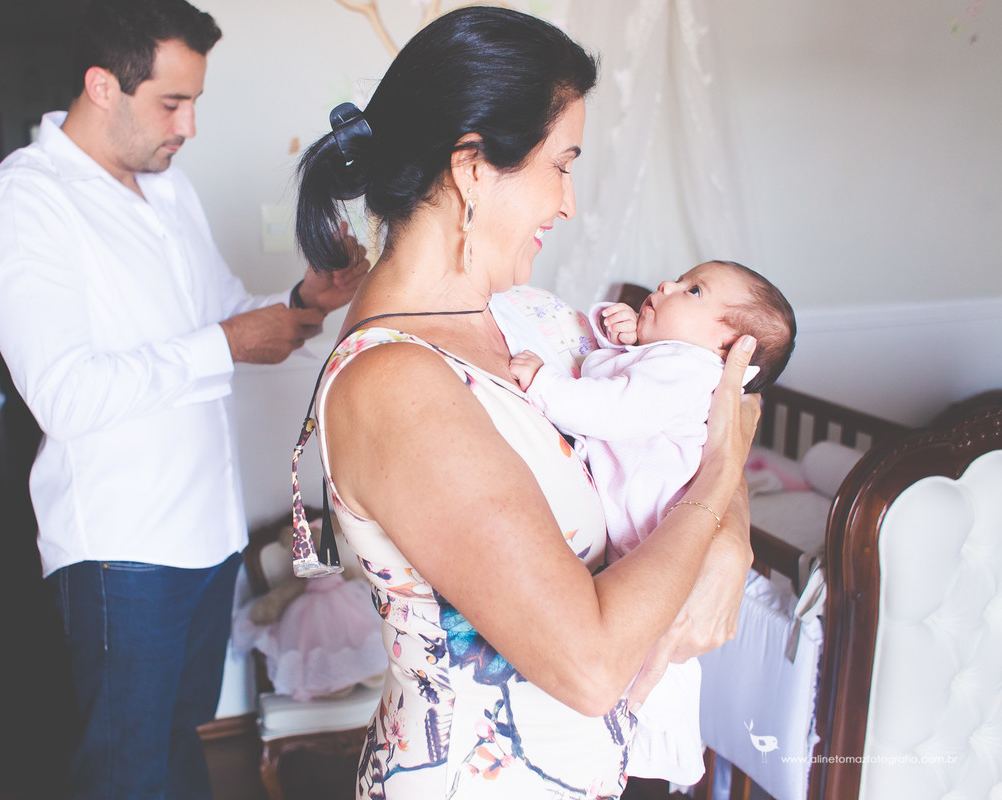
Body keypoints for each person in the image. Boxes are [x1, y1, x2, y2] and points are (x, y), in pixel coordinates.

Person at [292, 7, 760, 798]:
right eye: (562, 163)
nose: (570, 204)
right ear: (473, 167)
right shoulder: (397, 382)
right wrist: (723, 481)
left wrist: (732, 539)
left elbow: (674, 424)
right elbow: (590, 664)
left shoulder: (526, 318)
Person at [0, 0, 368, 796]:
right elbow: (65, 394)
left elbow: (220, 311)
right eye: (171, 103)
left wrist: (306, 297)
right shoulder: (22, 203)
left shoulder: (167, 190)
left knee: (176, 741)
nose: (188, 126)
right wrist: (224, 345)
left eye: (195, 102)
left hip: (204, 533)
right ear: (102, 85)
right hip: (122, 550)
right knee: (126, 771)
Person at [508, 261, 796, 785]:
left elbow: (615, 411)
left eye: (694, 290)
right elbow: (623, 382)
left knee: (658, 657)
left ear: (731, 351)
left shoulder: (689, 369)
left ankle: (653, 743)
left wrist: (543, 382)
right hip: (641, 533)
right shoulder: (672, 362)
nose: (666, 286)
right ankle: (643, 743)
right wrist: (626, 337)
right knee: (654, 653)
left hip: (656, 532)